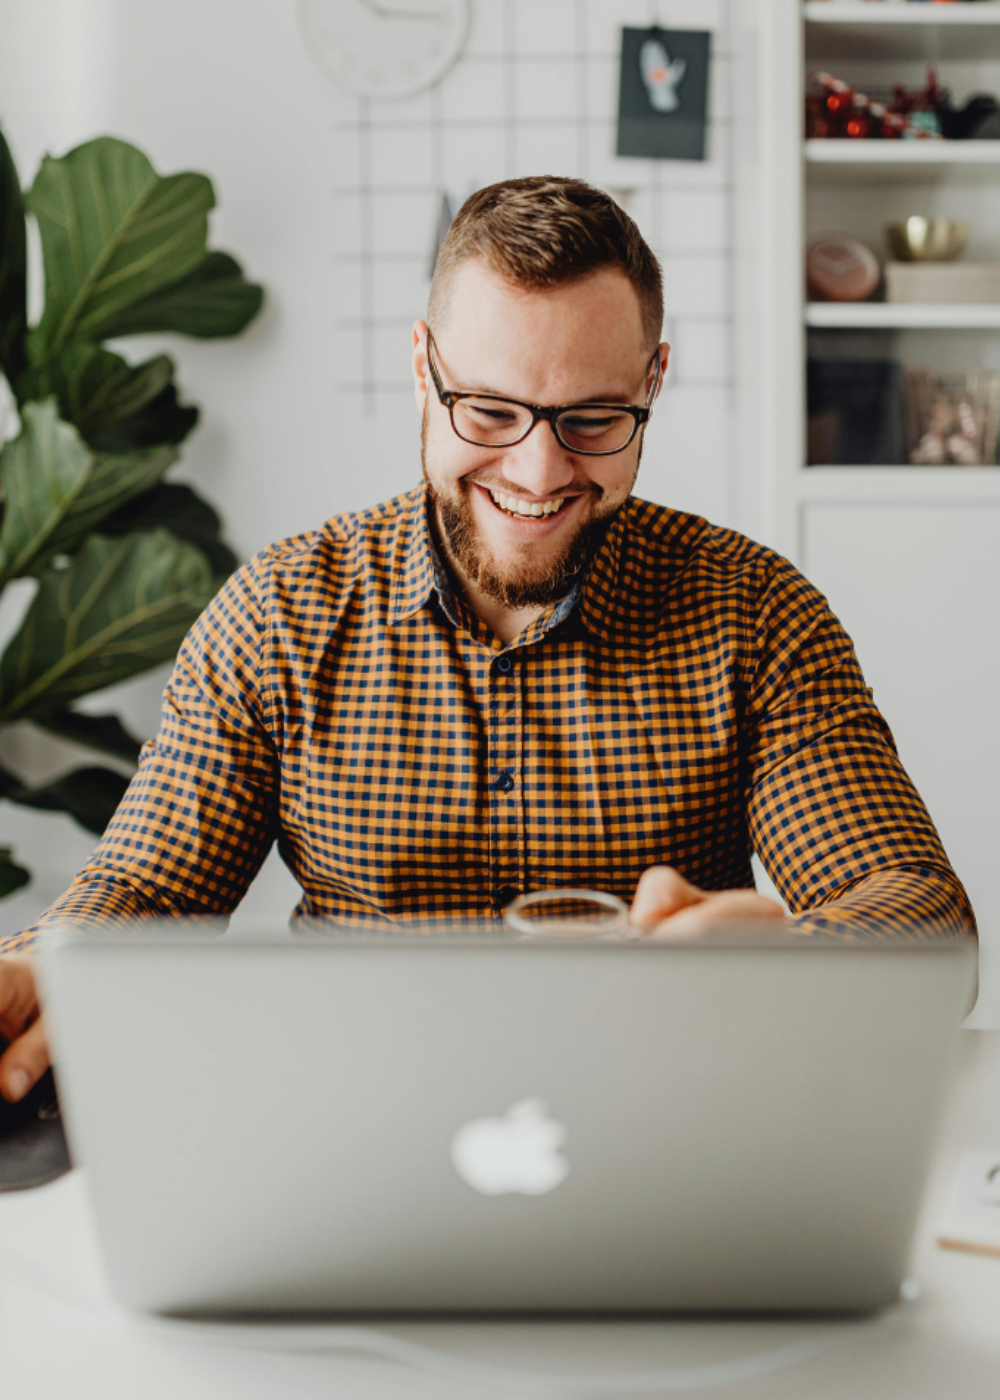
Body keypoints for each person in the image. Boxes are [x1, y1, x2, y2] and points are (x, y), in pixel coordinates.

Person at [0, 176, 974, 1105]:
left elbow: (913, 906)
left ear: (653, 380)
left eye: (593, 417)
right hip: (353, 1125)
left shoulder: (753, 611)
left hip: (673, 1118)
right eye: (491, 410)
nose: (538, 471)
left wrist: (800, 958)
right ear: (423, 369)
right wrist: (45, 961)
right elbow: (146, 881)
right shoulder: (278, 614)